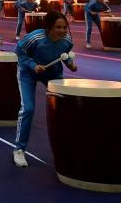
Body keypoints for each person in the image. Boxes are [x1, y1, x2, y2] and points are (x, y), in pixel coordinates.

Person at [12, 11, 77, 168]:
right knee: (28, 109)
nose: (62, 31)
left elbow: (65, 54)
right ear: (48, 28)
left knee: (65, 105)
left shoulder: (67, 40)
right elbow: (19, 52)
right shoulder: (35, 38)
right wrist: (34, 65)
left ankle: (66, 148)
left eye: (64, 27)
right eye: (58, 27)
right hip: (28, 73)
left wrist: (70, 64)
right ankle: (19, 149)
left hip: (52, 73)